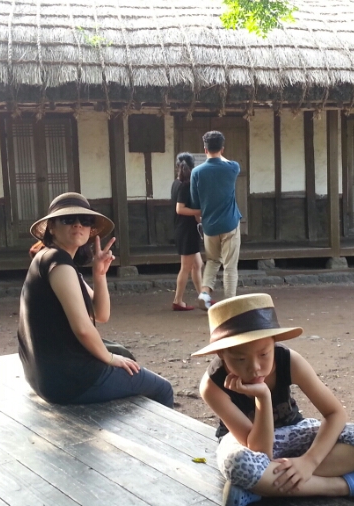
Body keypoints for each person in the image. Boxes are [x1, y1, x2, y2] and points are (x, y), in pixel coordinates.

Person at [192, 293, 354, 506]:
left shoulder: (289, 361)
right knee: (238, 464)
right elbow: (260, 450)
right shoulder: (212, 386)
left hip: (293, 432)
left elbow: (335, 413)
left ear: (274, 342)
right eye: (240, 359)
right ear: (221, 354)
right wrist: (263, 397)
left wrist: (309, 462)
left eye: (264, 354)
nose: (255, 367)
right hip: (246, 445)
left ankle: (261, 489)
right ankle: (344, 485)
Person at [18, 192, 174, 407]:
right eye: (68, 219)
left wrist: (99, 274)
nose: (78, 225)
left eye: (85, 220)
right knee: (163, 388)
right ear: (51, 227)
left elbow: (101, 314)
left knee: (123, 354)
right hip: (67, 380)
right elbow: (83, 329)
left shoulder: (56, 260)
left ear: (91, 229)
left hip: (44, 376)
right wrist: (110, 359)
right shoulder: (58, 262)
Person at [189, 130, 242, 311]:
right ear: (222, 148)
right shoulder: (232, 168)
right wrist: (219, 155)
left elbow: (195, 203)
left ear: (205, 149)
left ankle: (204, 293)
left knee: (212, 261)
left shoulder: (196, 172)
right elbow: (225, 161)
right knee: (230, 266)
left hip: (209, 225)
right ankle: (230, 303)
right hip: (230, 223)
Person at [171, 152, 204, 311]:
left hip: (184, 229)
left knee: (198, 265)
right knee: (186, 267)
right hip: (186, 231)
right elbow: (180, 209)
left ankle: (203, 298)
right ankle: (178, 300)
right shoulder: (186, 185)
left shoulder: (176, 183)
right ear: (193, 166)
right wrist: (199, 211)